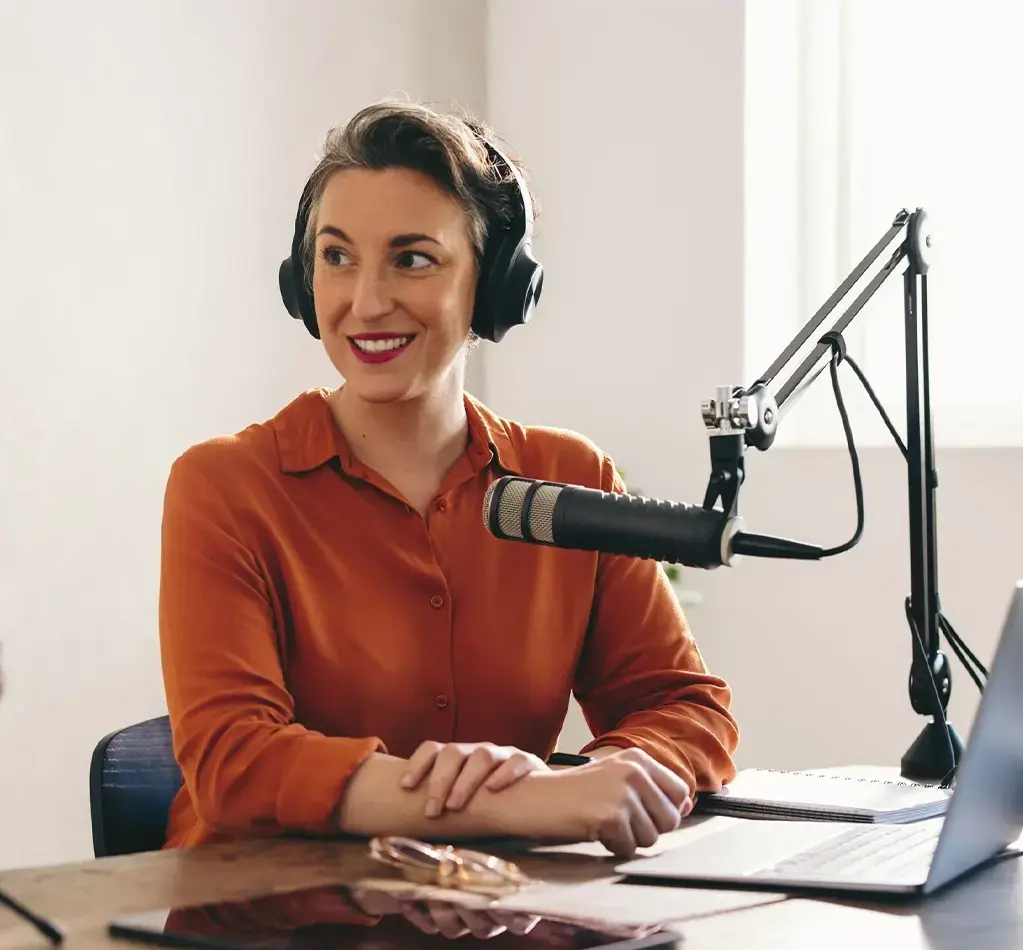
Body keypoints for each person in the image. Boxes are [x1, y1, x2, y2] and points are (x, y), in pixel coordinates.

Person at [159, 100, 739, 860]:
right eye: (337, 258)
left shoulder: (567, 477)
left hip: (494, 922)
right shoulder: (225, 486)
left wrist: (608, 777)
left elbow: (683, 706)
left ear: (495, 287)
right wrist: (527, 800)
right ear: (302, 283)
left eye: (412, 258)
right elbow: (236, 761)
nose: (365, 302)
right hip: (259, 925)